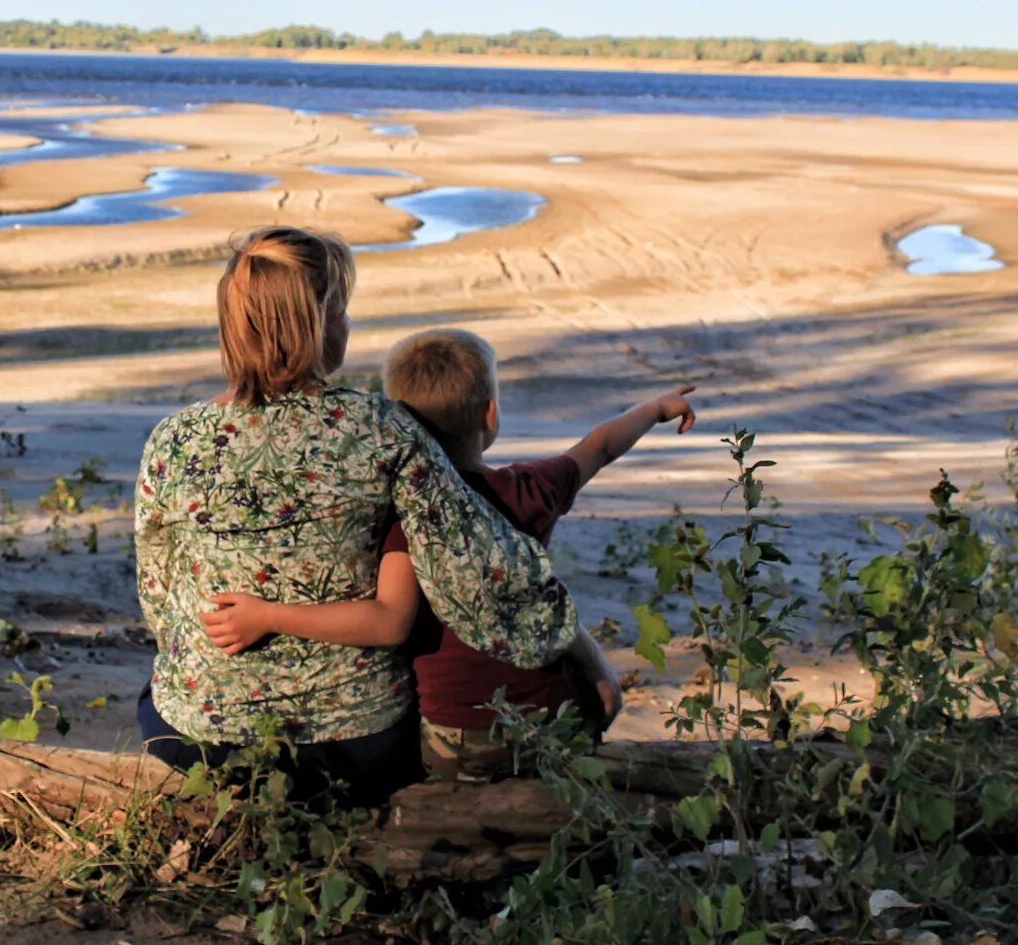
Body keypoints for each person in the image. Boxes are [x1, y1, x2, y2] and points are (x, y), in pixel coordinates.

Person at [134, 228, 580, 807]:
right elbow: (478, 570)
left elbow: (159, 600)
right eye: (342, 310)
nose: (348, 325)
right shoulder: (382, 428)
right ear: (318, 323)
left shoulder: (172, 440)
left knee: (156, 695)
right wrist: (571, 646)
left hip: (197, 739)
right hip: (357, 743)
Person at [201, 327, 698, 781]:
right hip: (548, 717)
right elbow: (600, 445)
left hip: (451, 736)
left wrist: (266, 615)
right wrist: (655, 408)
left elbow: (383, 619)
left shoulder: (401, 517)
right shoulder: (530, 488)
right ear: (490, 415)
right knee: (582, 718)